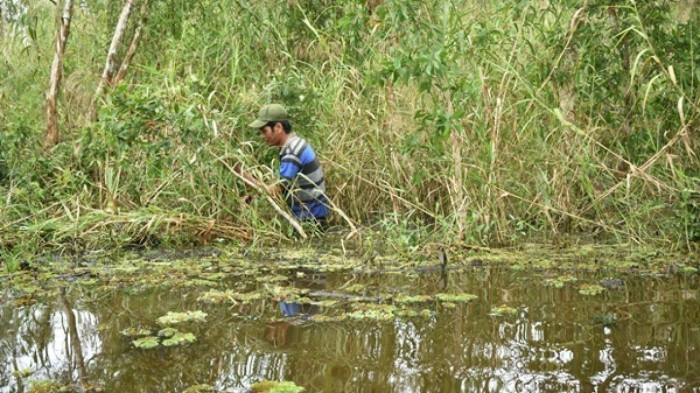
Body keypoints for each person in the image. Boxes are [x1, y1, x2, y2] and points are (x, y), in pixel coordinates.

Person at [245, 104, 329, 226]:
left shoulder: (291, 152)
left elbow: (274, 192)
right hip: (313, 214)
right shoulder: (296, 143)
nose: (262, 136)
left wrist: (242, 174)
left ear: (278, 127)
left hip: (309, 219)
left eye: (264, 131)